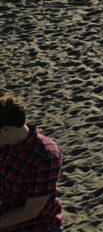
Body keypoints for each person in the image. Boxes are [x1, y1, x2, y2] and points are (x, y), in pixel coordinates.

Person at [0, 95, 64, 231]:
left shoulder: (46, 156)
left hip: (36, 227)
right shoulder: (5, 143)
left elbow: (30, 211)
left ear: (5, 130)